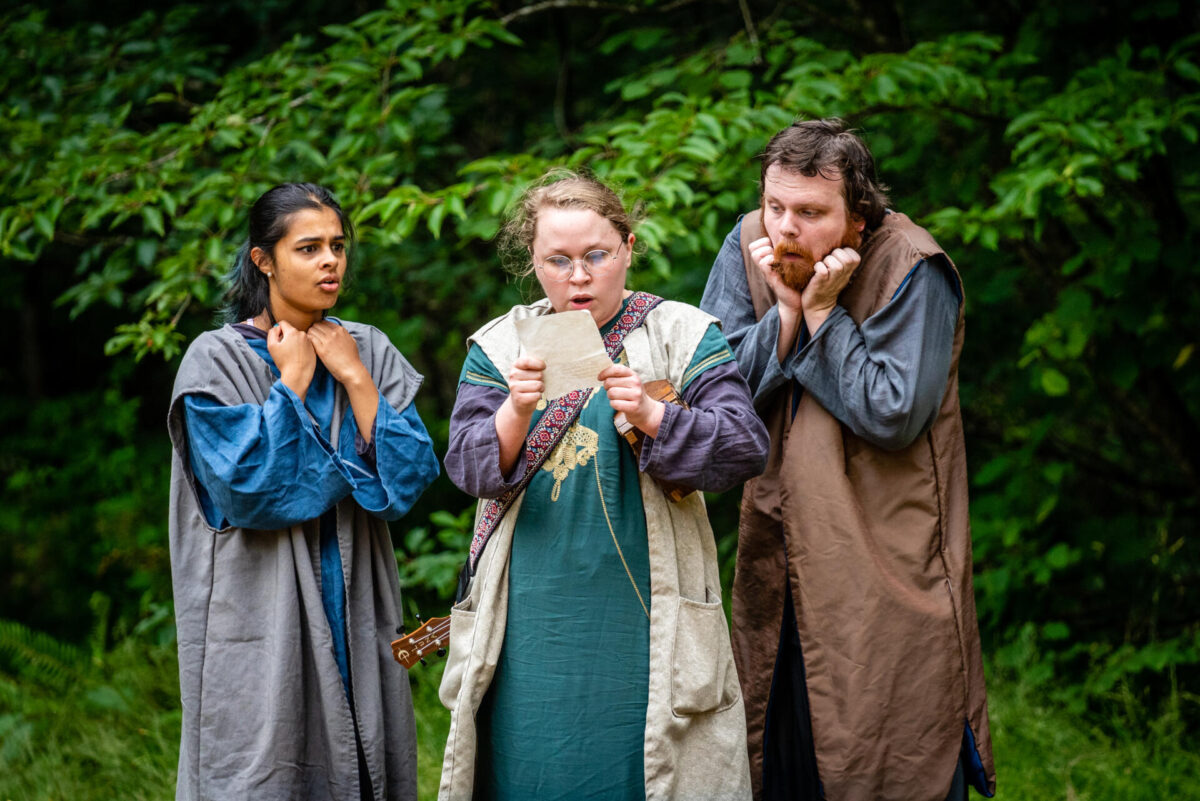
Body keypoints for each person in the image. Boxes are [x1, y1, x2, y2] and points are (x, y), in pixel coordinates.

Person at [438, 170, 769, 801]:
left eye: (596, 255)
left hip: (646, 613)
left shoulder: (683, 333)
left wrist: (653, 416)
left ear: (628, 246)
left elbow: (743, 449)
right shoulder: (502, 344)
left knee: (644, 772)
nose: (578, 276)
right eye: (556, 261)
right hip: (529, 617)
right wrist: (514, 411)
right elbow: (467, 469)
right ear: (532, 264)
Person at [699, 119, 997, 801]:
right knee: (779, 750)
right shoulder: (750, 243)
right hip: (778, 544)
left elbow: (893, 413)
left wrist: (826, 315)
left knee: (887, 746)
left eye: (810, 212)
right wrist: (783, 315)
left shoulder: (912, 265)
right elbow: (712, 388)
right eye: (775, 206)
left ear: (858, 215)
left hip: (884, 557)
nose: (785, 228)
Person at [166, 182, 440, 801]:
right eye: (309, 248)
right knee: (265, 768)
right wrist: (289, 385)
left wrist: (354, 378)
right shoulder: (215, 360)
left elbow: (409, 478)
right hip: (258, 607)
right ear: (264, 260)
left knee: (364, 752)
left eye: (337, 247)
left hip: (358, 597)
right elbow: (248, 489)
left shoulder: (365, 346)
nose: (329, 263)